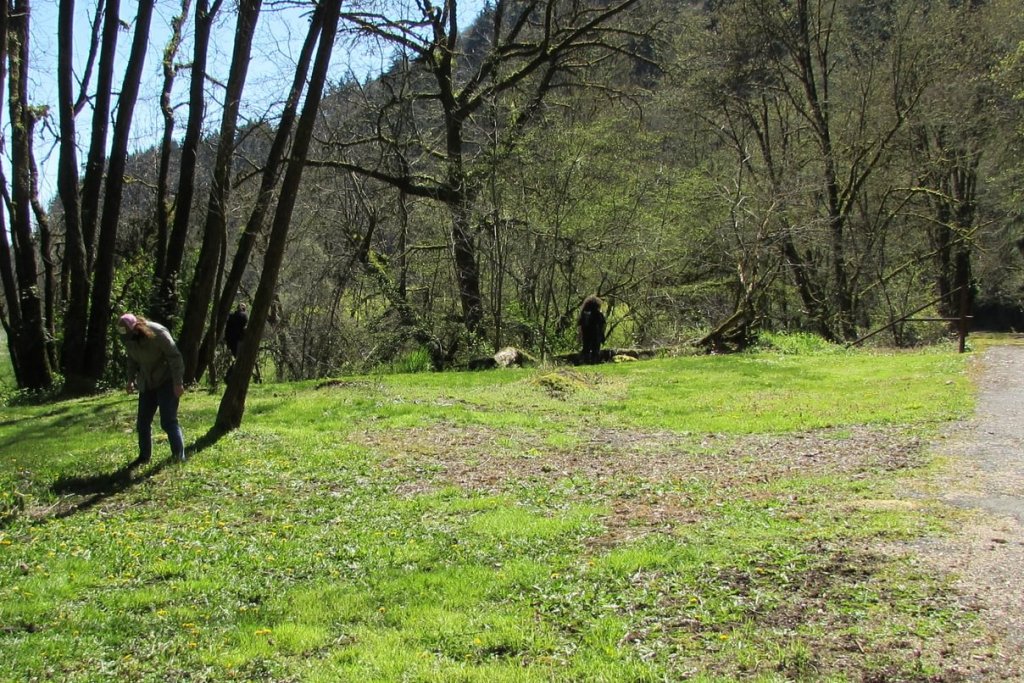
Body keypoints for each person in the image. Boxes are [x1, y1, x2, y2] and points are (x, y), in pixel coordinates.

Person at [118, 313, 186, 464]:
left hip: (166, 381)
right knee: (142, 423)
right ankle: (144, 457)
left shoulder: (158, 333)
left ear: (136, 328)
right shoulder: (129, 340)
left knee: (168, 421)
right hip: (147, 382)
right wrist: (130, 380)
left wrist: (178, 383)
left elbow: (175, 357)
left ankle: (178, 457)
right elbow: (131, 360)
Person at [578, 295, 606, 364]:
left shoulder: (584, 314)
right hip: (596, 334)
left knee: (586, 349)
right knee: (595, 350)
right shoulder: (598, 314)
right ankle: (594, 361)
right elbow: (603, 324)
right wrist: (602, 333)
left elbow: (580, 325)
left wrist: (580, 335)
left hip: (586, 334)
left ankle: (585, 361)